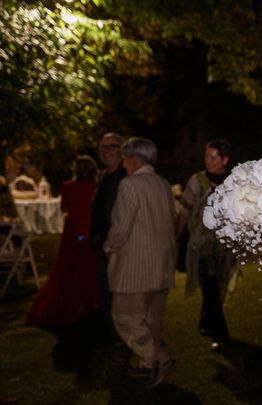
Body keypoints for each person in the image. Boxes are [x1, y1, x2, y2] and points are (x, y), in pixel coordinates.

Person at [103, 137, 177, 389]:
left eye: (124, 158)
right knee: (150, 320)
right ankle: (148, 365)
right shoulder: (164, 184)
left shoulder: (130, 184)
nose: (123, 164)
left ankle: (160, 359)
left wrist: (108, 247)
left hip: (135, 267)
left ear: (134, 159)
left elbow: (120, 228)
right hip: (162, 265)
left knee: (124, 316)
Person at [176, 139, 236, 351]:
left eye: (213, 157)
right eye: (206, 156)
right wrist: (177, 236)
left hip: (226, 247)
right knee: (210, 286)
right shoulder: (197, 180)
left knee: (217, 287)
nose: (208, 161)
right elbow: (184, 210)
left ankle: (205, 321)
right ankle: (220, 335)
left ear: (225, 160)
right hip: (201, 247)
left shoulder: (234, 182)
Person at [26, 155, 100, 328]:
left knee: (69, 265)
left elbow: (64, 206)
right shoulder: (95, 186)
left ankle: (72, 303)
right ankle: (90, 303)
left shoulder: (67, 186)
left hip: (74, 231)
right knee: (89, 266)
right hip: (88, 229)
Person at [90, 133, 126, 341]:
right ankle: (113, 331)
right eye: (103, 147)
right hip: (101, 242)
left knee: (119, 291)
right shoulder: (104, 175)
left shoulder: (125, 177)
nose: (106, 151)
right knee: (106, 289)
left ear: (122, 151)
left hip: (116, 244)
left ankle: (122, 333)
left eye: (112, 146)